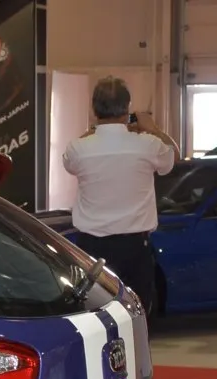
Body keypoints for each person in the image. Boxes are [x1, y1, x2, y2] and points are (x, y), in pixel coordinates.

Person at [60, 76, 180, 314]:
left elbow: (69, 163)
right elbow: (173, 156)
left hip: (91, 249)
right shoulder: (147, 144)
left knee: (94, 314)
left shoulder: (79, 148)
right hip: (134, 247)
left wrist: (94, 130)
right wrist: (153, 129)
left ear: (94, 109)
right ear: (127, 108)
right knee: (137, 313)